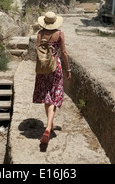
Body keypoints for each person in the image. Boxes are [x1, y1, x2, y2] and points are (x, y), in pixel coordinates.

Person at [32, 11, 71, 144]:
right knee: (54, 95)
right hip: (56, 66)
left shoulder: (40, 34)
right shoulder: (59, 34)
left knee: (46, 95)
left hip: (43, 68)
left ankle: (51, 123)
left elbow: (36, 49)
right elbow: (64, 52)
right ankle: (48, 127)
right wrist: (68, 69)